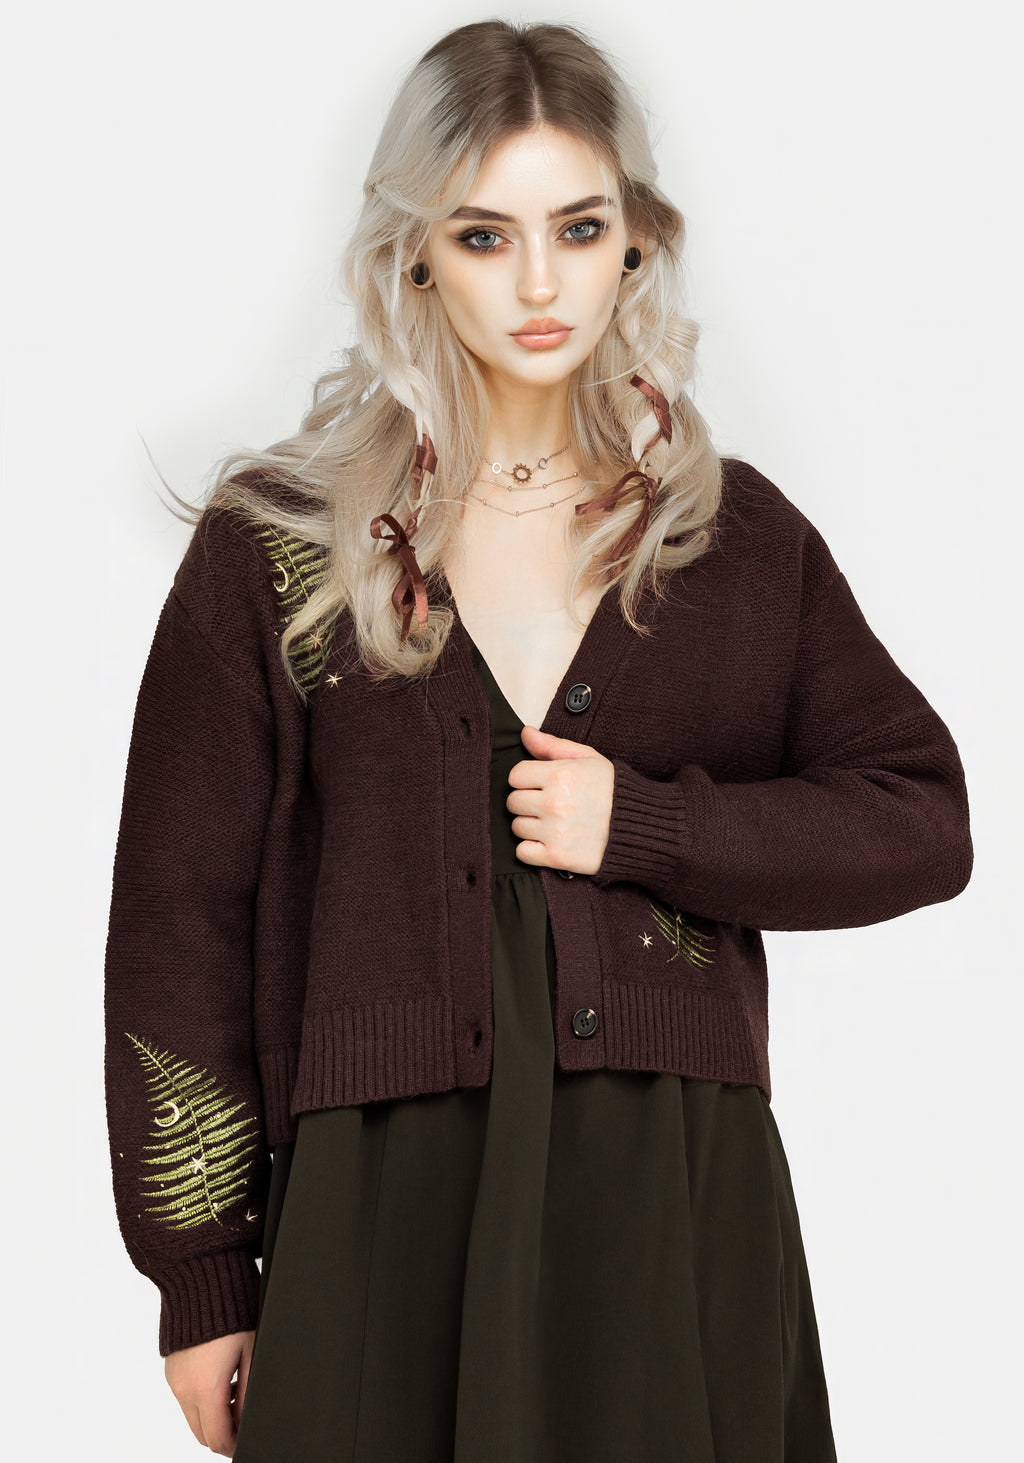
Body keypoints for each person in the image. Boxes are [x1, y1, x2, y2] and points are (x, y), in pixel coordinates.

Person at [103, 18, 973, 1461]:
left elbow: (922, 820)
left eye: (577, 228)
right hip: (379, 1210)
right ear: (414, 255)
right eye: (484, 236)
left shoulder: (732, 543)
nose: (538, 283)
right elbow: (174, 925)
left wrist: (652, 827)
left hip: (670, 1204)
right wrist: (200, 1278)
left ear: (635, 242)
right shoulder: (284, 549)